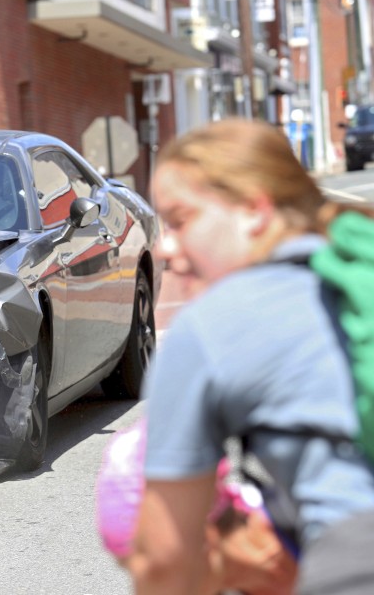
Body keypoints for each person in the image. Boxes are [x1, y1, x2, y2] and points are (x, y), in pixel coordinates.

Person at [124, 118, 374, 594]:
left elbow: (165, 561)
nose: (168, 250)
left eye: (180, 221)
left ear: (254, 211)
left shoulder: (213, 327)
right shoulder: (360, 265)